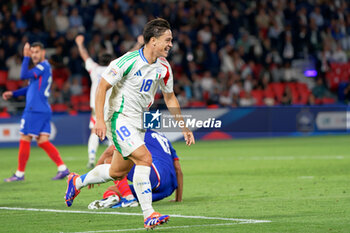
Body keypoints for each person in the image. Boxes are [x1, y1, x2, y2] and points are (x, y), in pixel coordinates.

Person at [64, 18, 195, 230]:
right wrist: (99, 119)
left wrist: (183, 126)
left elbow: (170, 98)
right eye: (167, 40)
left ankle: (76, 182)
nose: (171, 44)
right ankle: (149, 214)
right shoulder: (127, 61)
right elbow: (102, 87)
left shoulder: (164, 67)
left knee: (117, 172)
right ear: (153, 40)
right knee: (145, 158)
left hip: (139, 122)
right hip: (119, 117)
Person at [2, 42, 69, 182]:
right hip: (43, 108)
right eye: (32, 52)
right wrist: (13, 93)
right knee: (43, 141)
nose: (34, 54)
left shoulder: (42, 66)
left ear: (43, 52)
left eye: (36, 51)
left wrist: (25, 57)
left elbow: (23, 75)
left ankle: (19, 174)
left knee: (25, 137)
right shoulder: (41, 70)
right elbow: (29, 88)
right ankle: (63, 169)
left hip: (34, 109)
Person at [88, 129, 183, 209]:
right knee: (112, 189)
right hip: (167, 189)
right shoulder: (164, 139)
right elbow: (178, 170)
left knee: (110, 160)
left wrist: (95, 174)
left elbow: (108, 153)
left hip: (154, 175)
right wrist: (178, 198)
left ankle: (129, 198)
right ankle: (115, 197)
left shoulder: (138, 132)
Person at [75, 35, 113, 169]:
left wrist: (80, 44)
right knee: (113, 134)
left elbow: (85, 55)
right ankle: (109, 159)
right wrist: (138, 44)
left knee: (94, 132)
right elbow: (130, 55)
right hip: (111, 107)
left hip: (97, 107)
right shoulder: (114, 70)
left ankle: (91, 158)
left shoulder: (95, 69)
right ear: (111, 62)